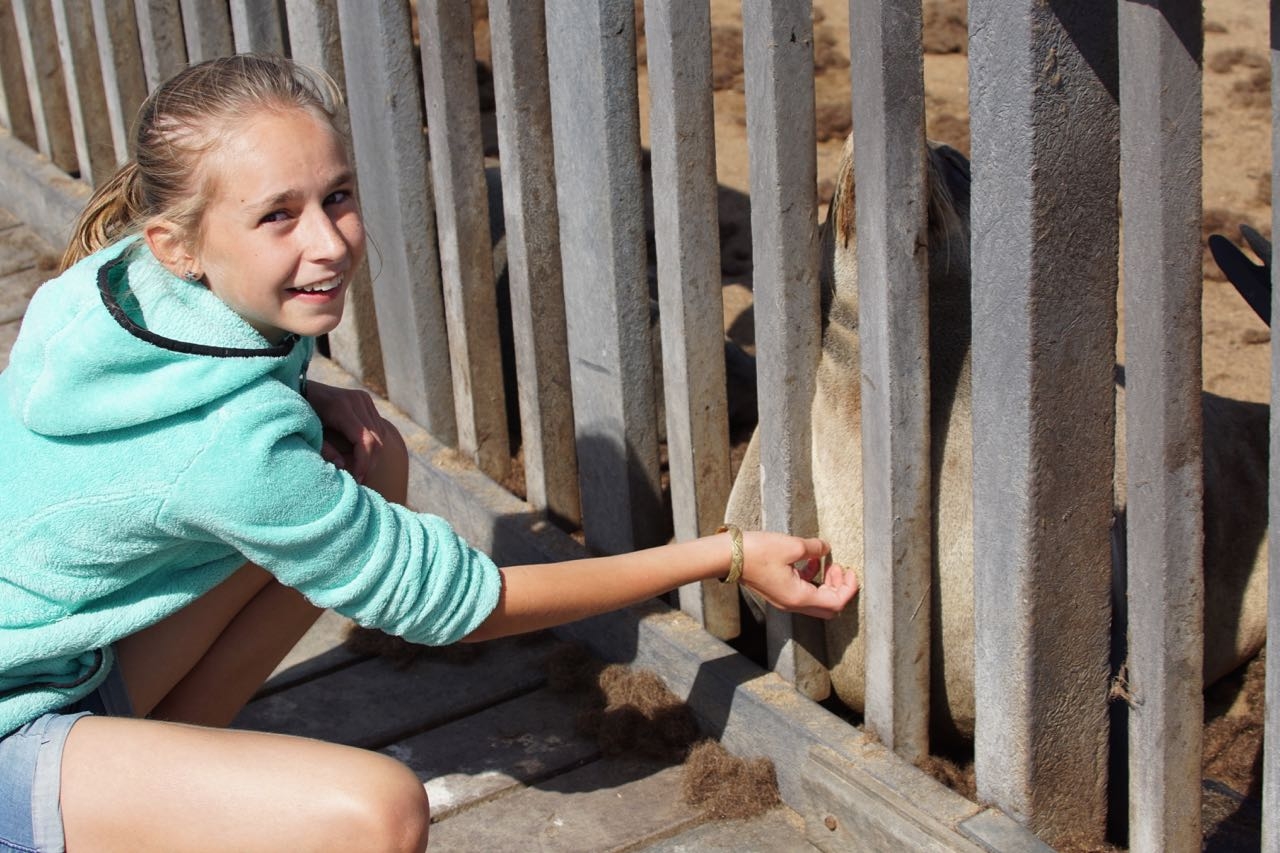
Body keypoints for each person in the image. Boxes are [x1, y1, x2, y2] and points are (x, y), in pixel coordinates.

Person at [0, 54, 858, 853]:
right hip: (17, 724)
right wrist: (727, 552)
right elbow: (465, 602)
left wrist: (299, 397)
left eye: (335, 196)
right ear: (177, 244)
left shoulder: (115, 288)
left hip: (54, 665)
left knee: (365, 456)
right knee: (378, 811)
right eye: (277, 215)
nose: (329, 243)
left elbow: (196, 453)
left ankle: (147, 798)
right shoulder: (233, 446)